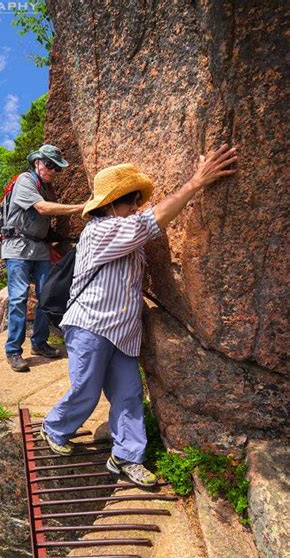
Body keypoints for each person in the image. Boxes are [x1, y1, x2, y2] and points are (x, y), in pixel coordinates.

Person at [41, 144, 239, 487]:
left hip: (123, 332)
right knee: (86, 389)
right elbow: (151, 223)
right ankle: (55, 427)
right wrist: (195, 183)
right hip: (91, 324)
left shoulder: (124, 235)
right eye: (129, 200)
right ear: (108, 205)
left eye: (136, 200)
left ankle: (126, 456)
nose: (136, 207)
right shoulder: (99, 231)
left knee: (129, 395)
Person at [0, 144, 85, 373]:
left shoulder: (47, 188)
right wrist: (82, 208)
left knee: (46, 295)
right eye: (49, 165)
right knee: (18, 297)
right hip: (17, 247)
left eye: (56, 168)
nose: (52, 171)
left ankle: (39, 343)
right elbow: (42, 209)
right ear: (37, 162)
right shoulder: (25, 181)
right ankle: (14, 351)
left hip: (39, 248)